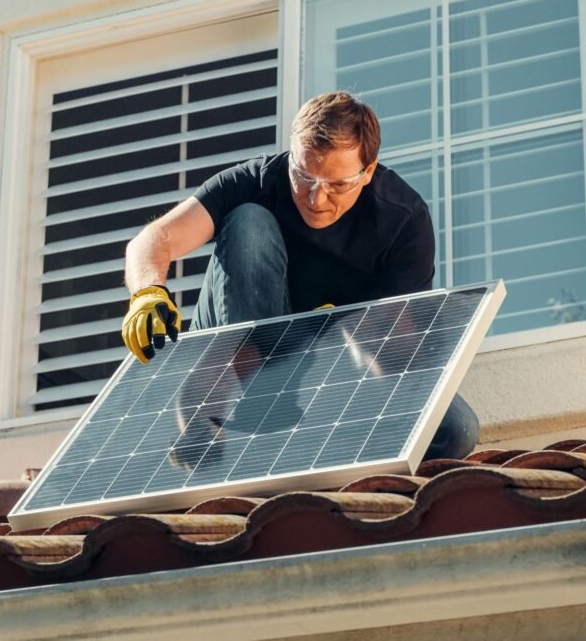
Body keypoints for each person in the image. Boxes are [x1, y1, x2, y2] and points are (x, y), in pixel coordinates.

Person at [120, 91, 478, 460]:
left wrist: (357, 336)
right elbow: (154, 239)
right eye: (303, 176)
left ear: (368, 172)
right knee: (248, 219)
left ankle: (305, 420)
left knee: (454, 431)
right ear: (291, 155)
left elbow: (406, 359)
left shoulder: (402, 221)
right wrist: (147, 293)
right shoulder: (257, 181)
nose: (315, 198)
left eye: (337, 185)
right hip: (247, 351)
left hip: (334, 369)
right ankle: (248, 396)